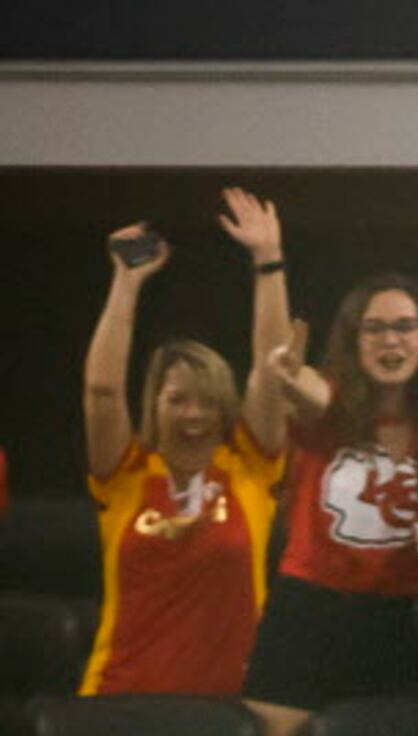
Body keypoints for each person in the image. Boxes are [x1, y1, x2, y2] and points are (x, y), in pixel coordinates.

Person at [244, 272, 418, 736]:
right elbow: (296, 384)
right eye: (373, 329)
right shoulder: (328, 396)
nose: (390, 342)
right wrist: (269, 262)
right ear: (353, 341)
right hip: (309, 608)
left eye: (404, 327)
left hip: (400, 618)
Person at [77, 190, 290, 698]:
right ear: (155, 405)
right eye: (178, 400)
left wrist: (268, 260)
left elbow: (273, 371)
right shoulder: (126, 475)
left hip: (231, 712)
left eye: (208, 401)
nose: (193, 414)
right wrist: (126, 284)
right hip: (118, 700)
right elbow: (102, 392)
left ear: (225, 408)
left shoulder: (250, 469)